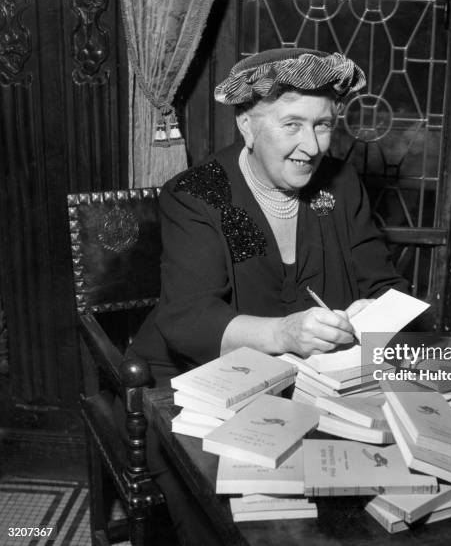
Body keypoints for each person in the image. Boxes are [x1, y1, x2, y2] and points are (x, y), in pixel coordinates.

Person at [127, 47, 410, 545]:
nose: (313, 145)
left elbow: (382, 282)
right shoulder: (198, 194)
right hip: (197, 388)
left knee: (376, 493)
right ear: (247, 125)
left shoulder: (340, 185)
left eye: (323, 124)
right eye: (292, 124)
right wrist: (285, 332)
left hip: (307, 388)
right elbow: (190, 319)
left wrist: (376, 313)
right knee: (236, 524)